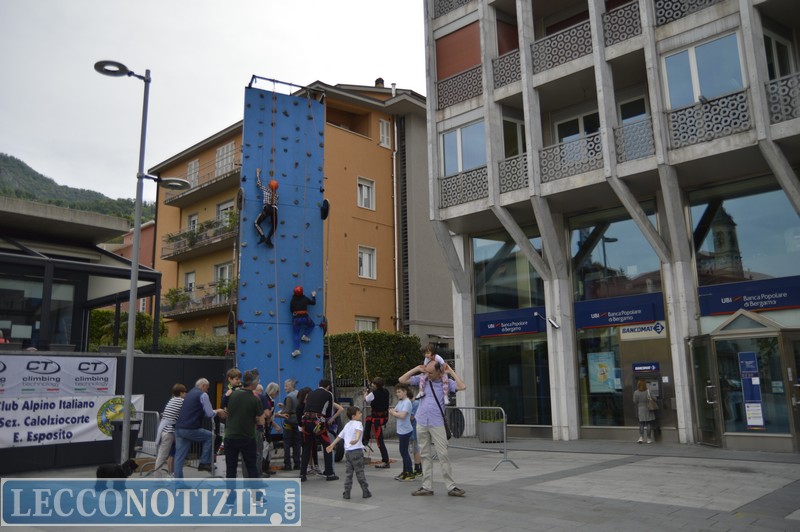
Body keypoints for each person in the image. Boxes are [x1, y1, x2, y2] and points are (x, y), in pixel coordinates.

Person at [399, 360, 467, 497]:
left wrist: (450, 371)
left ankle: (451, 486)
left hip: (437, 423)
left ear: (439, 372)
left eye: (431, 372)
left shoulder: (445, 382)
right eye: (427, 371)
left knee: (443, 455)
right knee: (424, 455)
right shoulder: (422, 379)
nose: (428, 374)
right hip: (421, 421)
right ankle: (426, 486)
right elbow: (402, 379)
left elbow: (462, 386)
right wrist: (417, 368)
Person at [174, 378, 226, 479]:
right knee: (210, 436)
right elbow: (209, 413)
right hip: (190, 427)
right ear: (203, 386)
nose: (207, 390)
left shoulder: (190, 393)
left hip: (179, 428)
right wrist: (218, 411)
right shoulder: (203, 395)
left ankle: (178, 483)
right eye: (207, 388)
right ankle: (204, 462)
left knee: (179, 457)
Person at [224, 369, 264, 481]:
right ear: (254, 383)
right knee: (251, 467)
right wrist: (252, 419)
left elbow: (225, 410)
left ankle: (231, 492)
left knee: (231, 468)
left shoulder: (232, 394)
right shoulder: (255, 399)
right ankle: (254, 491)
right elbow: (261, 421)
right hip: (247, 437)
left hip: (230, 436)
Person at [326, 406, 371, 499]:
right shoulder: (358, 423)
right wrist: (357, 439)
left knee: (348, 474)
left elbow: (339, 436)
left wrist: (332, 445)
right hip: (357, 452)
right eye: (359, 413)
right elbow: (358, 432)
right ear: (354, 416)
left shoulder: (347, 425)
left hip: (348, 453)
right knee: (360, 472)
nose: (361, 414)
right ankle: (365, 491)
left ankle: (347, 493)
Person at [300, 379, 339, 482]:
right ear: (328, 386)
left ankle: (302, 474)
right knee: (327, 446)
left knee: (306, 447)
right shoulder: (329, 394)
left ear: (318, 385)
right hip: (318, 421)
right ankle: (329, 473)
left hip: (306, 420)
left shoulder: (311, 393)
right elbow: (329, 412)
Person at [153, 383, 187, 476]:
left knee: (164, 455)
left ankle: (170, 474)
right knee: (162, 456)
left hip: (164, 430)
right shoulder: (181, 401)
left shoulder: (172, 400)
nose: (186, 394)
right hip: (169, 431)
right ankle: (157, 478)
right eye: (185, 392)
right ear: (181, 393)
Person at [363, 377, 390, 468]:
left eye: (373, 384)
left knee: (379, 440)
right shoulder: (386, 391)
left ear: (375, 385)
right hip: (384, 417)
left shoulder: (373, 394)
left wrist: (366, 392)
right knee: (368, 419)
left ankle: (385, 460)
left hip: (377, 419)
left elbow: (366, 399)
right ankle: (366, 437)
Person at [390, 383, 415, 481]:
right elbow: (394, 411)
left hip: (405, 430)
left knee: (404, 452)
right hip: (400, 430)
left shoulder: (407, 402)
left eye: (399, 392)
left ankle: (410, 473)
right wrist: (394, 413)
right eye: (397, 392)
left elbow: (402, 415)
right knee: (403, 452)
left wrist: (394, 413)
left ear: (405, 392)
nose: (398, 394)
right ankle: (405, 472)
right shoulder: (401, 402)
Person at [218, 368, 243, 455]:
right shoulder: (227, 389)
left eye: (239, 379)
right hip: (232, 417)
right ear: (229, 379)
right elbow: (222, 404)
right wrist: (226, 395)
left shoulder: (242, 388)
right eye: (236, 379)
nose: (238, 381)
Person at [278, 378, 301, 471]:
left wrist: (280, 412)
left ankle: (287, 464)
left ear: (291, 386)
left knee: (287, 444)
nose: (284, 388)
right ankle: (297, 463)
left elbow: (287, 411)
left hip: (289, 423)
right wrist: (284, 406)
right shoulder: (299, 394)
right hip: (297, 422)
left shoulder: (289, 397)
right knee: (297, 444)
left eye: (286, 386)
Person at [254, 168, 279, 247]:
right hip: (274, 210)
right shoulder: (277, 195)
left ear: (269, 186)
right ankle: (268, 239)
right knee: (274, 226)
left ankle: (262, 236)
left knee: (256, 223)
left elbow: (259, 183)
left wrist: (258, 173)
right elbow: (275, 203)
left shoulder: (266, 190)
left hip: (267, 208)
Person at [290, 286, 316, 357]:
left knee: (296, 334)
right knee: (312, 325)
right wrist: (313, 296)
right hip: (305, 318)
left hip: (296, 319)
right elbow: (313, 303)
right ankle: (305, 335)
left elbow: (291, 310)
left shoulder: (293, 300)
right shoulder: (305, 299)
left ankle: (297, 350)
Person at [634, 379, 656, 444]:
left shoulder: (636, 392)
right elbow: (655, 399)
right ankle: (648, 439)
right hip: (648, 408)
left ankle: (641, 437)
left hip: (640, 409)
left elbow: (635, 401)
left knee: (641, 423)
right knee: (649, 423)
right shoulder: (648, 391)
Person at [410, 396, 423, 478]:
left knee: (416, 449)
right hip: (415, 428)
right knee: (415, 449)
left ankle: (418, 468)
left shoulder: (415, 403)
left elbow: (412, 417)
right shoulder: (416, 403)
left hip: (415, 428)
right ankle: (417, 467)